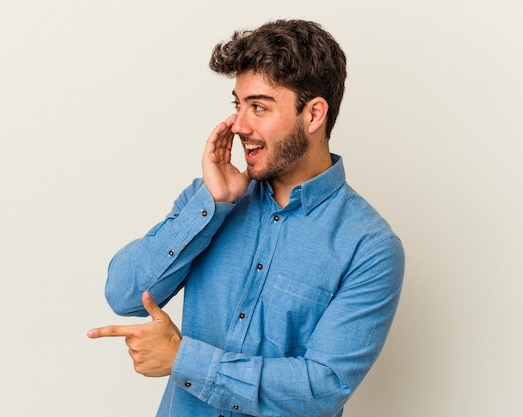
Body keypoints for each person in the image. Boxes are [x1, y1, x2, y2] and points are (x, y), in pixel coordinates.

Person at [88, 19, 405, 417]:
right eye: (238, 105)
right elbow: (123, 295)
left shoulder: (369, 247)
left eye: (258, 106)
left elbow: (322, 389)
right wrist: (212, 206)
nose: (238, 126)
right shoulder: (209, 200)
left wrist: (184, 358)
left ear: (313, 115)